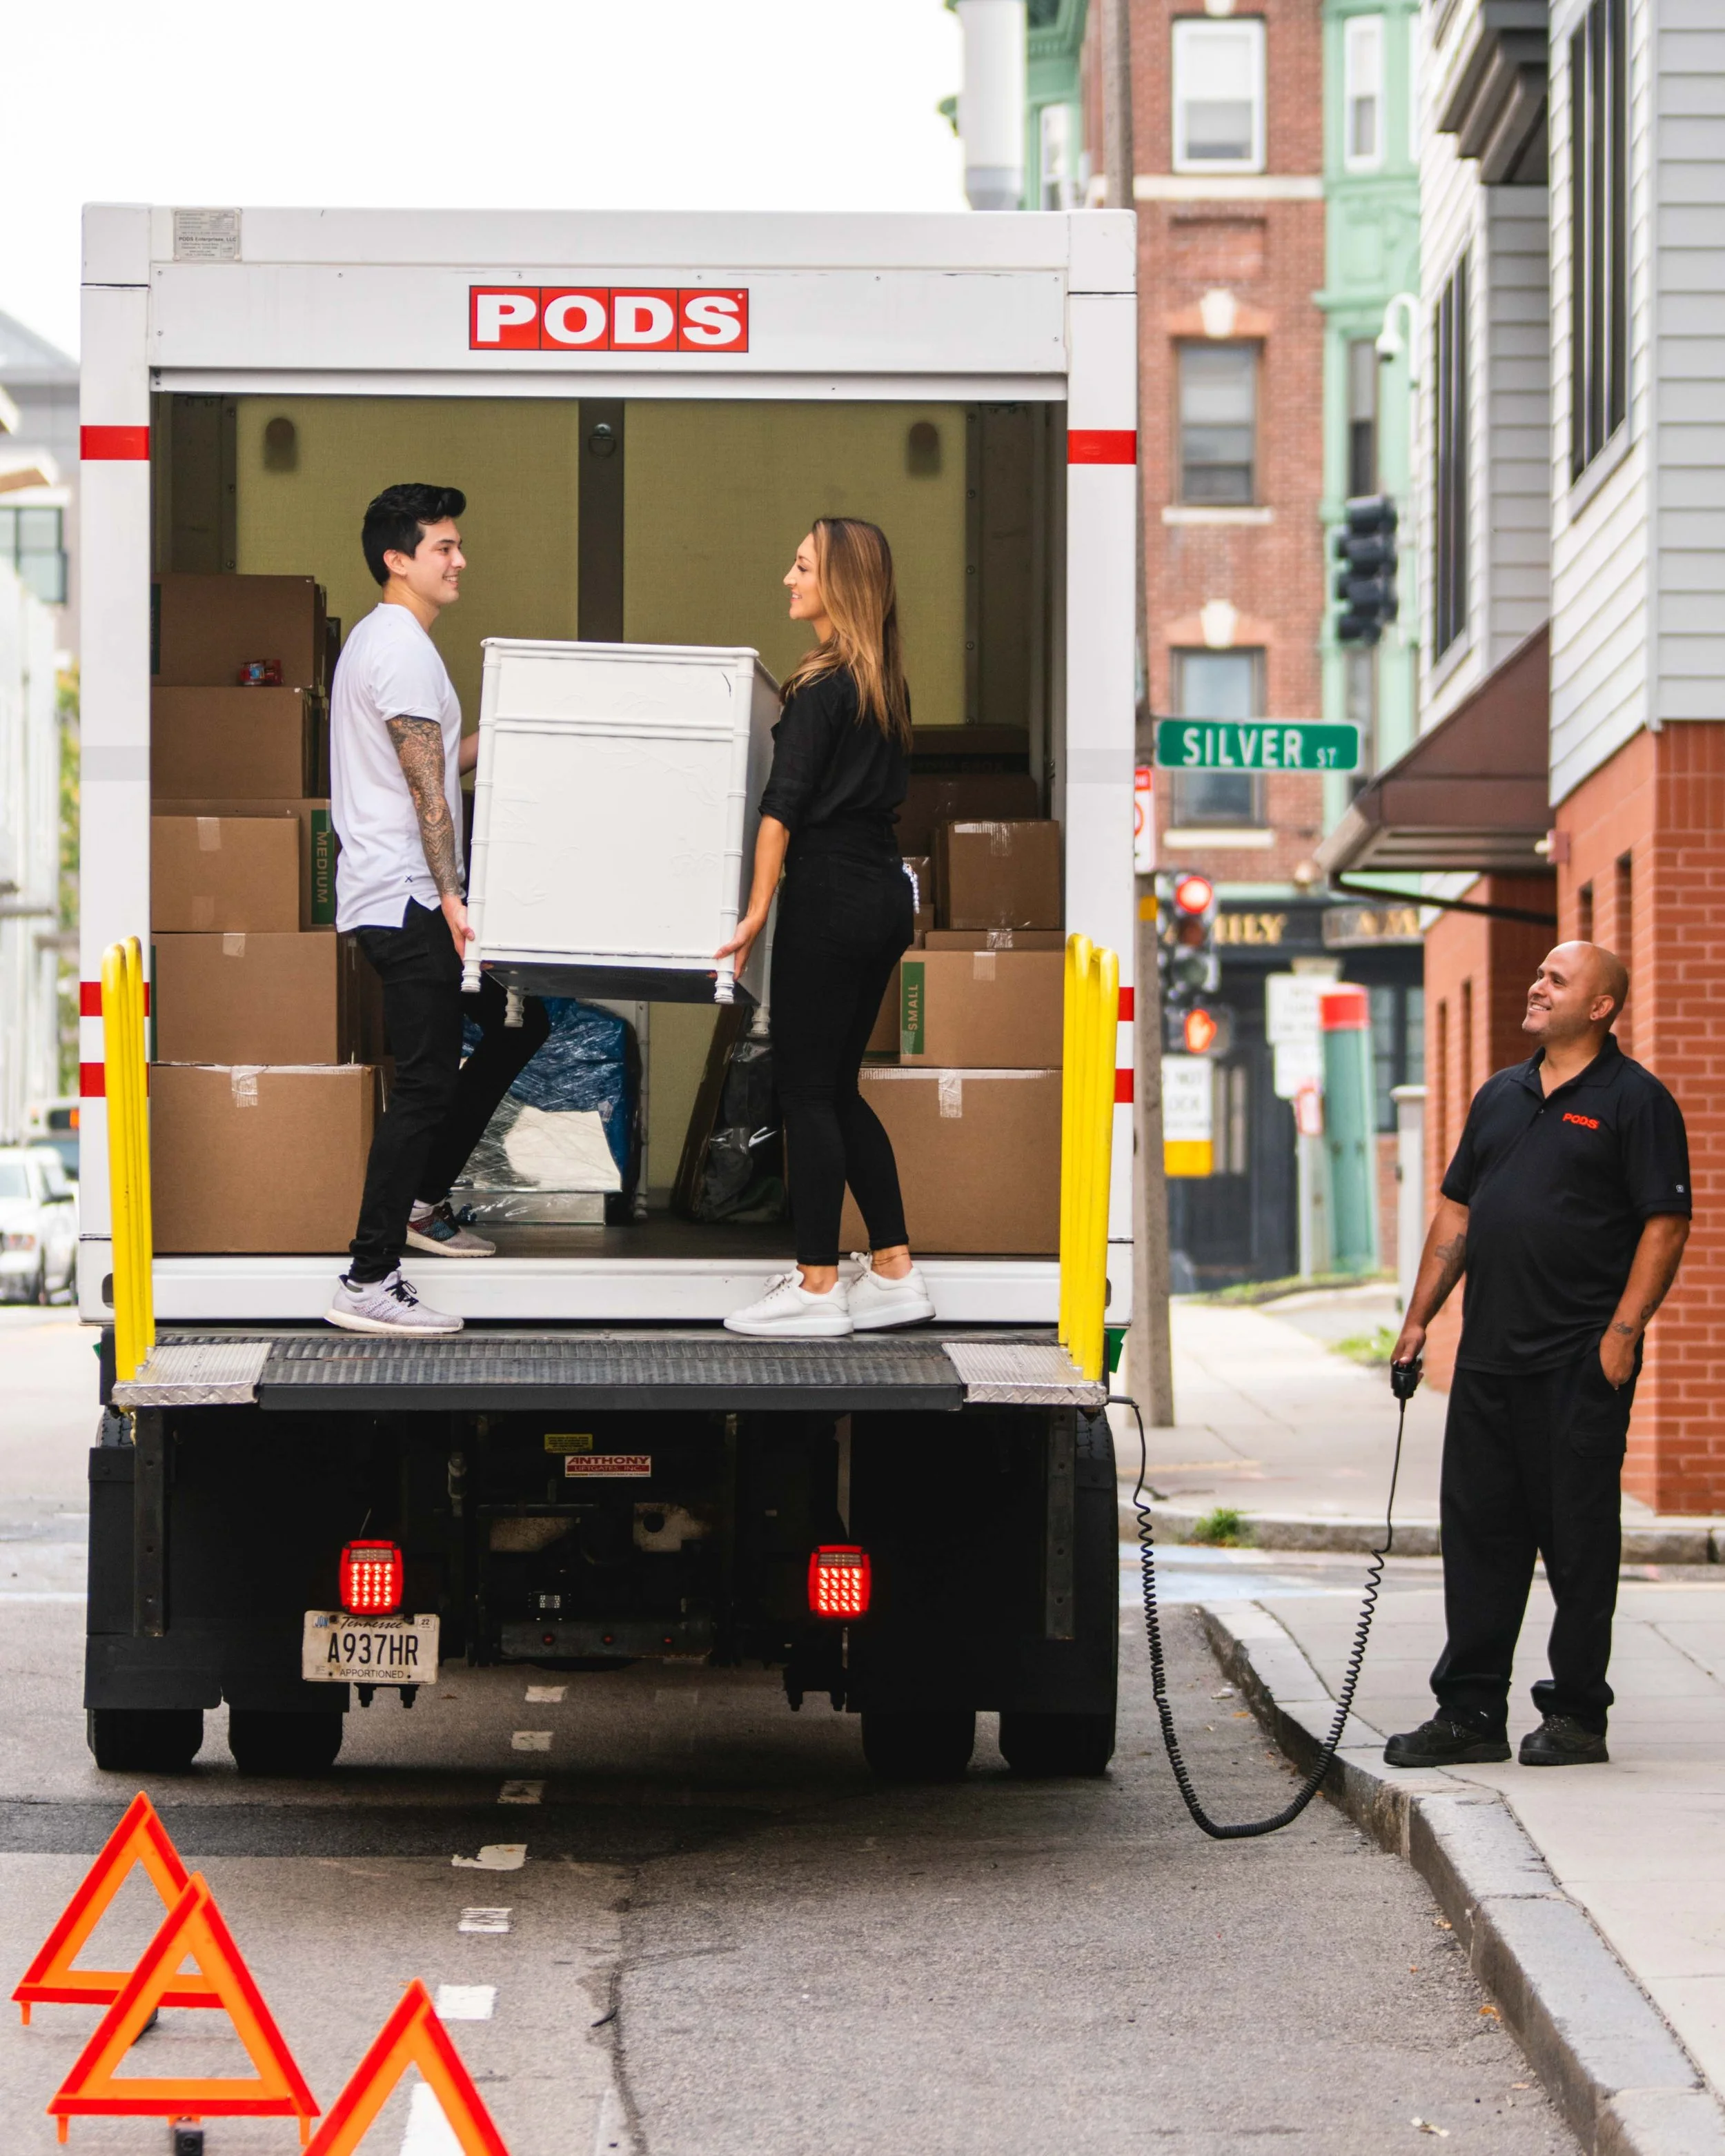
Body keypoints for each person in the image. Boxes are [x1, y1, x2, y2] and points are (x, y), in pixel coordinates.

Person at [1385, 942, 1690, 1768]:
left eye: (1555, 978)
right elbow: (1456, 1216)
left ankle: (1576, 1716)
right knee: (1479, 1538)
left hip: (1576, 1364)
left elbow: (1665, 1224)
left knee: (1579, 1544)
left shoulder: (1636, 1102)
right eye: (1539, 971)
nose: (1536, 983)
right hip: (1486, 1362)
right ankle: (1471, 1711)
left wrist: (1620, 1337)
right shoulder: (1500, 1095)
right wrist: (1418, 1323)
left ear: (1599, 1006)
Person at [324, 483, 550, 1337]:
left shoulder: (386, 643)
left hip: (404, 893)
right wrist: (455, 898)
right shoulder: (403, 649)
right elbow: (426, 787)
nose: (460, 560)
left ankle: (420, 1201)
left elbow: (434, 760)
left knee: (518, 1026)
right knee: (420, 1085)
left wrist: (509, 728)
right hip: (409, 896)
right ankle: (368, 1276)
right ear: (398, 558)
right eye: (444, 547)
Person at [720, 519, 935, 1339]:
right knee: (835, 1086)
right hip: (882, 894)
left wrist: (754, 909)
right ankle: (893, 1269)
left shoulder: (821, 686)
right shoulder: (882, 682)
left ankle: (815, 1285)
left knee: (804, 1088)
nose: (787, 576)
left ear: (839, 584)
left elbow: (784, 806)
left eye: (802, 565)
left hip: (832, 897)